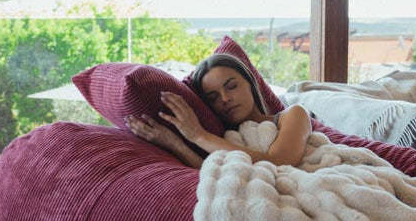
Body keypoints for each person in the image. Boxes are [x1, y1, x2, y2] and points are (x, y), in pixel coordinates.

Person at [124, 53, 312, 168]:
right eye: (213, 97)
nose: (225, 98)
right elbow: (217, 176)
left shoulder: (293, 114)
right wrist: (174, 144)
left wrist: (199, 135)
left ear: (250, 83)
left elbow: (279, 162)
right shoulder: (227, 140)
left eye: (231, 86)